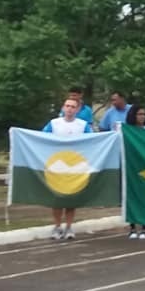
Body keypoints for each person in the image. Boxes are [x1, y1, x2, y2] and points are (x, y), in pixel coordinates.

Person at [43, 97, 92, 240]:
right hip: (56, 166)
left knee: (71, 197)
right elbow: (41, 138)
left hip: (75, 166)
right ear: (63, 108)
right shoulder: (54, 123)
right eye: (67, 106)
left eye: (72, 107)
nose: (69, 109)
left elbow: (92, 142)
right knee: (56, 198)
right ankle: (57, 226)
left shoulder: (83, 125)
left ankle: (69, 226)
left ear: (77, 109)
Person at [125, 103, 145, 239]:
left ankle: (144, 227)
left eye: (144, 114)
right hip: (130, 167)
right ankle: (132, 228)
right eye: (139, 114)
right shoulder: (127, 130)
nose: (142, 117)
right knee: (131, 197)